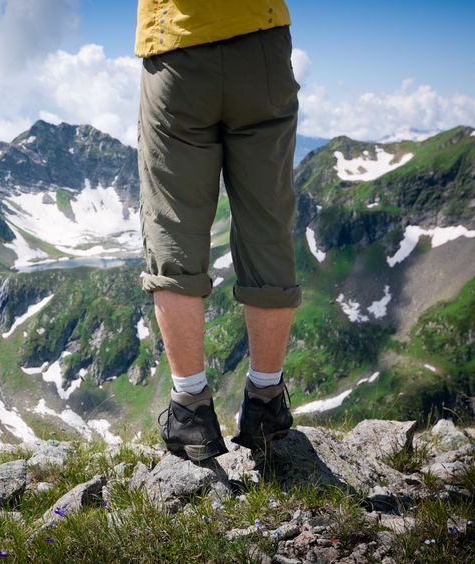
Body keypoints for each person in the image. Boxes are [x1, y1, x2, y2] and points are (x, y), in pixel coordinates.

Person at [135, 1, 301, 461]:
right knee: (267, 227)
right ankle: (266, 403)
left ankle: (190, 411)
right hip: (261, 44)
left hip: (177, 48)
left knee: (174, 230)